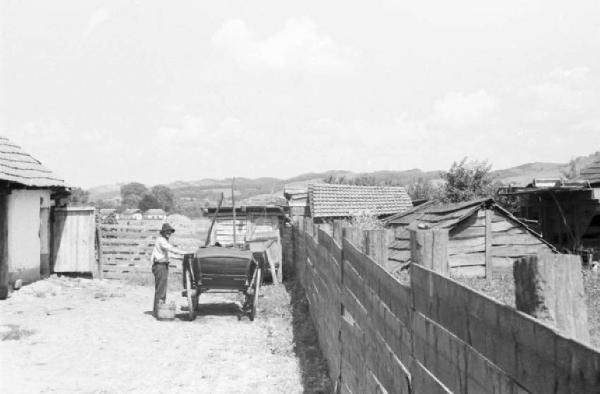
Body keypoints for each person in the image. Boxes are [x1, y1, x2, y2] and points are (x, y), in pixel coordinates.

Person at [151, 223, 187, 318]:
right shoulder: (161, 240)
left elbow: (168, 255)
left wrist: (181, 258)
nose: (169, 233)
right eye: (167, 231)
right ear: (163, 232)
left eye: (170, 232)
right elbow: (170, 249)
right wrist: (185, 253)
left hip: (163, 265)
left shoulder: (164, 241)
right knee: (161, 290)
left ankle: (159, 309)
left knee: (162, 289)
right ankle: (158, 311)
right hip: (160, 266)